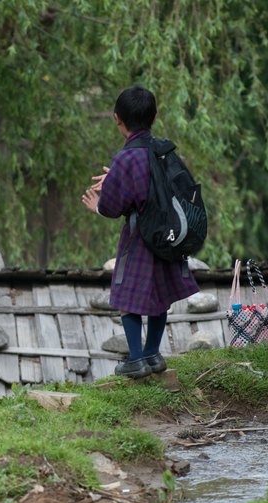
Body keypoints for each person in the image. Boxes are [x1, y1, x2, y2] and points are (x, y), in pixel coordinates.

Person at [79, 85, 200, 379]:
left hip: (141, 238)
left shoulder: (126, 158)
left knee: (126, 295)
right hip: (168, 237)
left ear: (117, 119)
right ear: (154, 118)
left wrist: (97, 204)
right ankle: (152, 354)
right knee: (160, 295)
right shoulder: (165, 151)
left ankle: (135, 359)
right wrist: (116, 176)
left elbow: (115, 205)